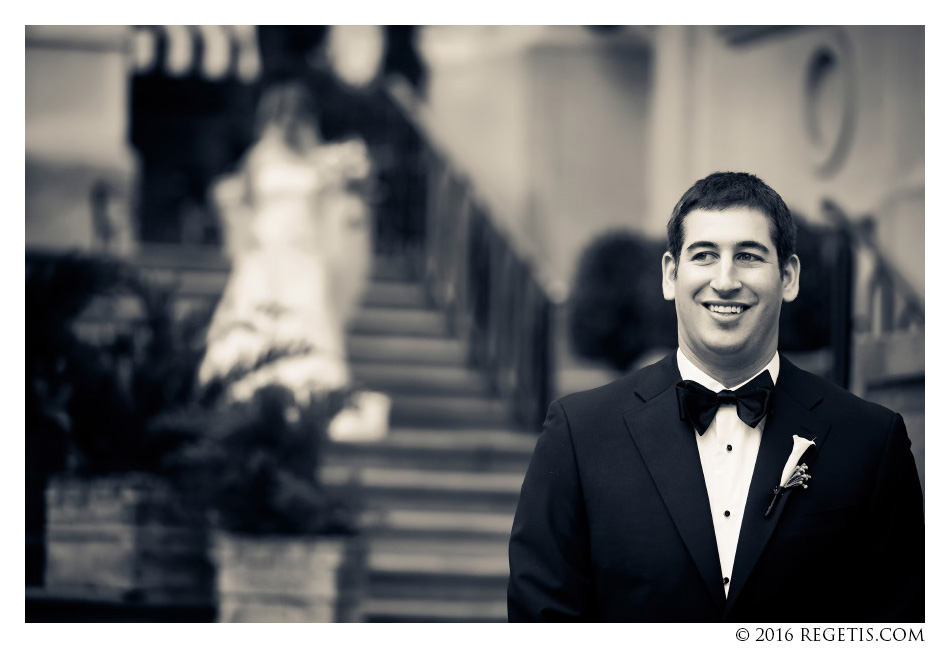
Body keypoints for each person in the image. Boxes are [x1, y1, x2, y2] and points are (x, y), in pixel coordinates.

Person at [507, 172, 923, 622]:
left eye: (748, 256)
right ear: (671, 275)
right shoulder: (579, 433)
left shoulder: (871, 440)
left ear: (788, 276)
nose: (725, 281)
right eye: (705, 255)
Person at [198, 80, 389, 441]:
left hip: (304, 257)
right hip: (264, 256)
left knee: (308, 327)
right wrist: (246, 233)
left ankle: (308, 400)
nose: (286, 123)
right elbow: (239, 197)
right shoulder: (259, 158)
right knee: (249, 326)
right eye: (279, 115)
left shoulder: (322, 163)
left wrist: (351, 197)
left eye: (293, 116)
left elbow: (336, 208)